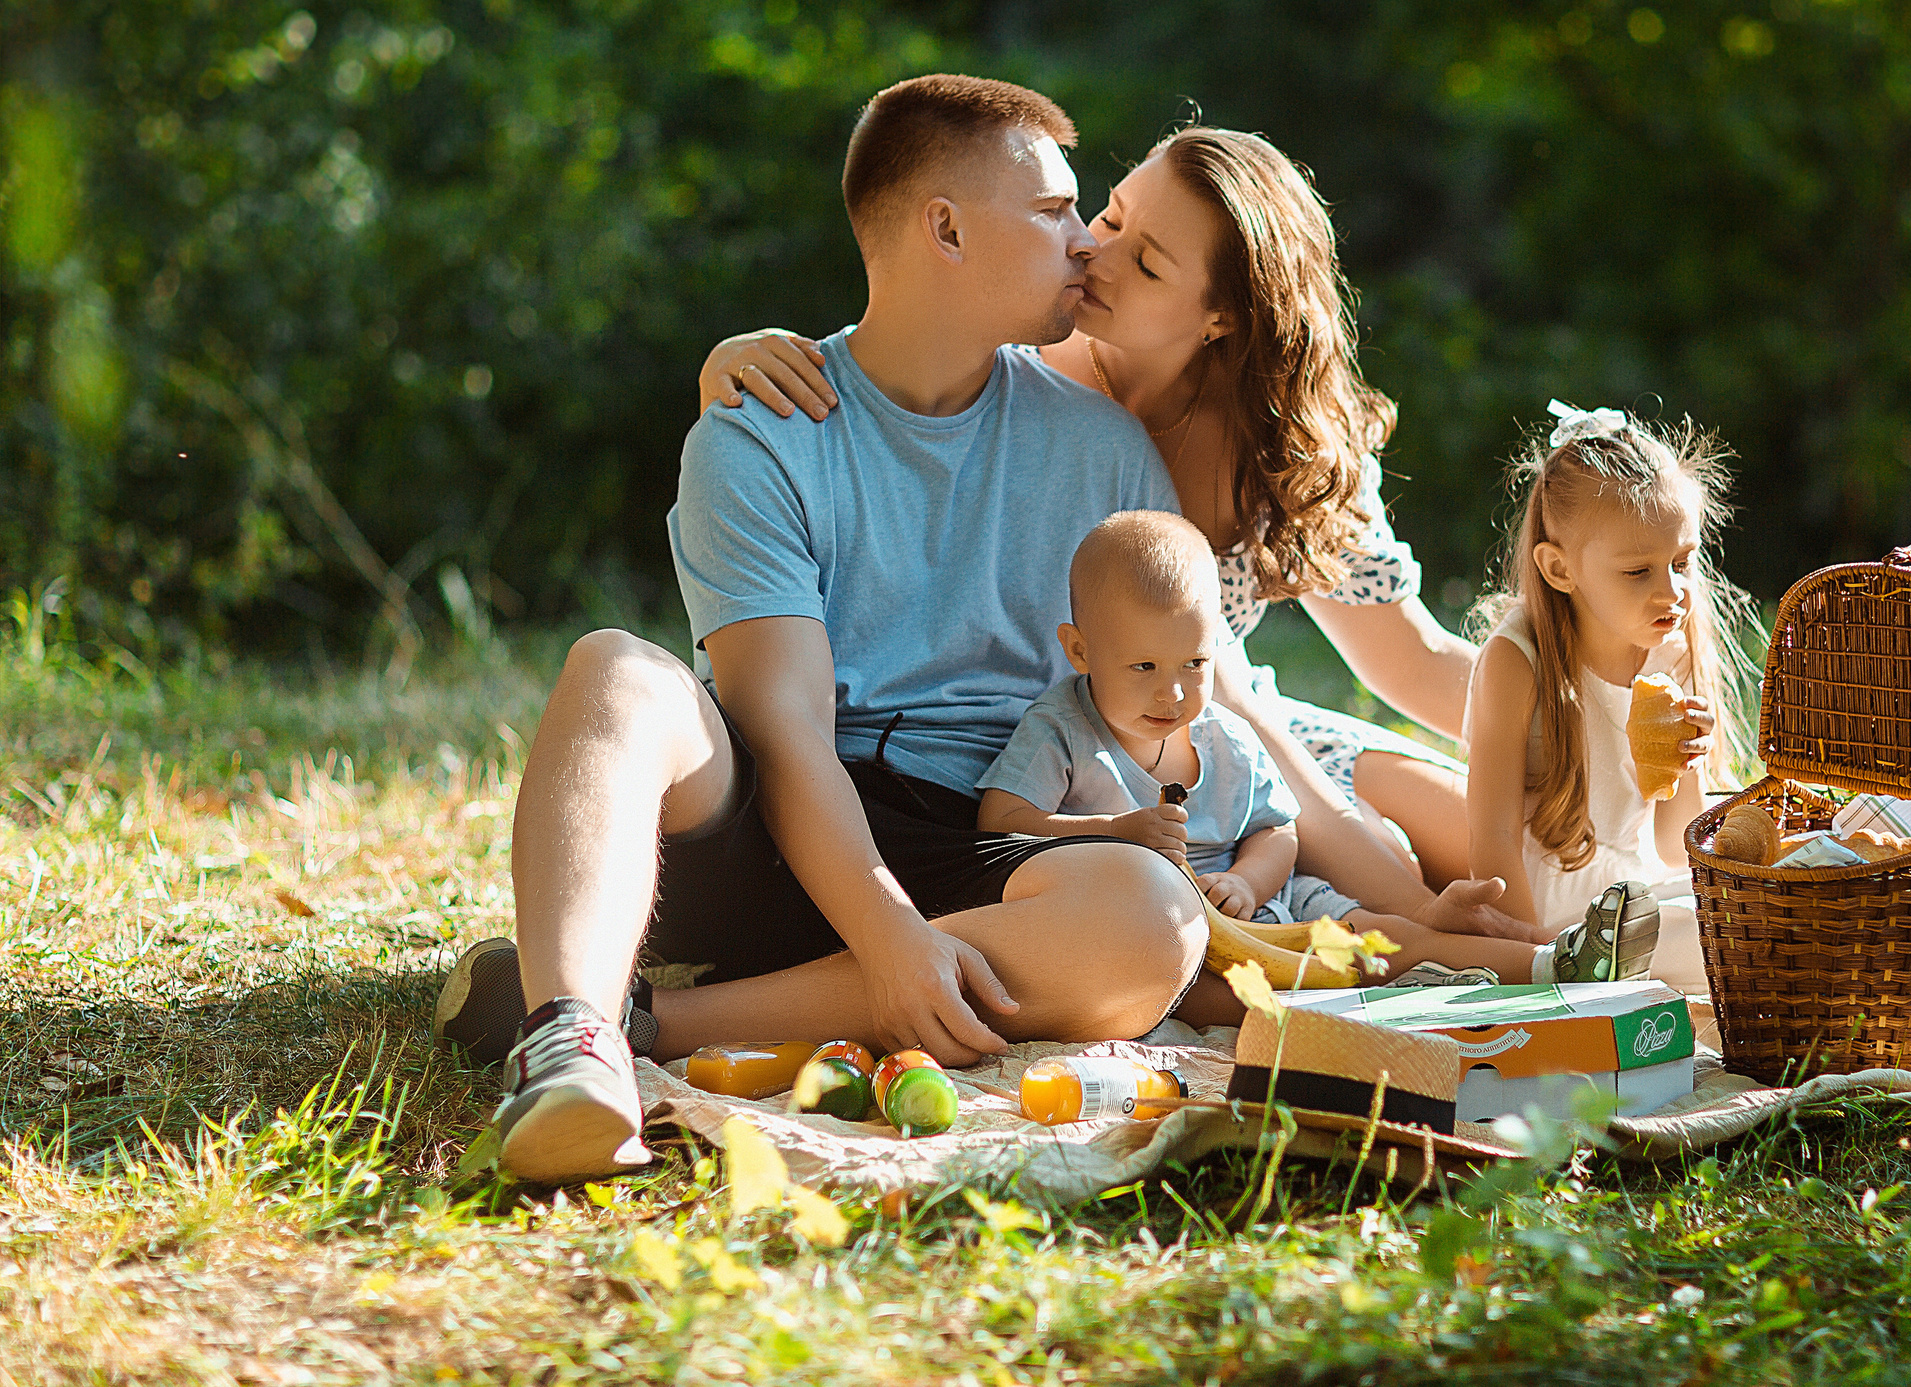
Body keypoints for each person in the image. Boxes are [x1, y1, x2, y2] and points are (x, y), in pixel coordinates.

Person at [434, 74, 1213, 1186]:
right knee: (615, 669)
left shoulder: (1106, 455)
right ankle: (569, 1047)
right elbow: (784, 723)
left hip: (978, 846)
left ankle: (644, 1018)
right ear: (942, 226)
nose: (1084, 241)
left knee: (1150, 923)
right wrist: (889, 936)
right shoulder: (764, 428)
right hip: (780, 821)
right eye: (1050, 211)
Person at [697, 127, 1496, 918]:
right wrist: (731, 364)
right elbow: (901, 361)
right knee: (1390, 868)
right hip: (1089, 742)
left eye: (1144, 260)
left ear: (1222, 316)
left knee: (1490, 842)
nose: (1091, 252)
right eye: (1108, 216)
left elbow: (1407, 657)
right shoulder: (1022, 354)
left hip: (1222, 721)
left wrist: (1565, 721)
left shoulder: (1276, 439)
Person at [978, 511, 1663, 1019]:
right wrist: (1115, 830)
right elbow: (998, 820)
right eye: (1144, 668)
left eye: (1195, 662)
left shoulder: (1224, 735)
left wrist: (1249, 879)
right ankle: (1374, 1001)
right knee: (1198, 991)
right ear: (1079, 649)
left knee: (1370, 929)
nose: (1175, 692)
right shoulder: (1062, 731)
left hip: (1264, 904)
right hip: (1156, 922)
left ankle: (1555, 962)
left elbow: (1278, 830)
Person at [1461, 402, 1757, 994]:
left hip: (1636, 889)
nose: (1671, 591)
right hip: (1551, 915)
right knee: (1719, 941)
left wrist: (1687, 763)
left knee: (1744, 911)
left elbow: (1676, 845)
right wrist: (1534, 965)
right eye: (1637, 572)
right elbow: (1490, 844)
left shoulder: (1672, 649)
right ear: (1559, 568)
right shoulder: (1518, 662)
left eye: (1681, 562)